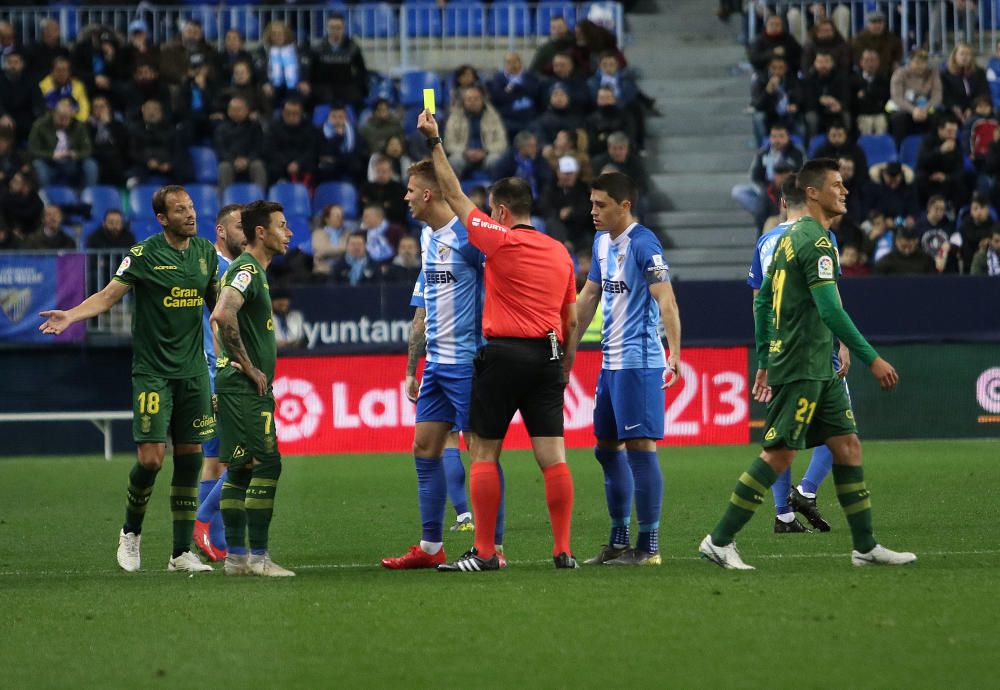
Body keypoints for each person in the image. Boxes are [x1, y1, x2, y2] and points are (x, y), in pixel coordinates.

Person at [699, 158, 916, 570]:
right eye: (837, 184)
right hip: (801, 363)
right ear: (813, 192)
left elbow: (762, 300)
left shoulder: (784, 238)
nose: (845, 191)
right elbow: (831, 312)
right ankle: (719, 539)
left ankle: (865, 546)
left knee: (847, 446)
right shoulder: (816, 241)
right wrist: (872, 358)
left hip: (818, 365)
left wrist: (763, 357)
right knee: (778, 455)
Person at [417, 109, 579, 571]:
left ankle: (485, 552)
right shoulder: (560, 251)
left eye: (491, 210)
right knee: (553, 456)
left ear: (502, 212)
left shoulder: (500, 238)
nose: (486, 216)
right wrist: (566, 365)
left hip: (503, 355)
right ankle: (562, 549)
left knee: (484, 451)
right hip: (548, 357)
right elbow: (570, 318)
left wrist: (434, 141)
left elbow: (451, 193)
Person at [39, 185, 219, 574]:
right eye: (180, 210)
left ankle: (180, 553)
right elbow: (107, 296)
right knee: (152, 460)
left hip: (193, 373)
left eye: (191, 207)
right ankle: (131, 532)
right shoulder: (143, 255)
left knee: (191, 459)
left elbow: (218, 312)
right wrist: (70, 315)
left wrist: (224, 359)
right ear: (162, 218)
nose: (190, 214)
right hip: (153, 373)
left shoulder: (205, 254)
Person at [381, 159, 500, 570]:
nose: (406, 197)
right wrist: (413, 368)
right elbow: (423, 313)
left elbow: (500, 288)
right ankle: (431, 548)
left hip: (470, 363)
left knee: (481, 453)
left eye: (411, 190)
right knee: (424, 447)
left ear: (428, 194)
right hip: (437, 367)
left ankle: (492, 550)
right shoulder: (429, 238)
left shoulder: (469, 238)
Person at [571, 172, 681, 566]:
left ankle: (648, 546)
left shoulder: (644, 243)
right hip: (609, 363)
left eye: (601, 204)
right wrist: (569, 349)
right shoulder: (602, 243)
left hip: (639, 361)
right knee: (606, 449)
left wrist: (675, 353)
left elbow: (666, 299)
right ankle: (618, 540)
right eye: (592, 203)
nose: (593, 211)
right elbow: (588, 297)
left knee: (640, 448)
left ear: (625, 206)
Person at [747, 174, 849, 534]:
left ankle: (783, 514)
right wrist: (844, 341)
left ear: (780, 204)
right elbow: (830, 295)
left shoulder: (764, 241)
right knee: (842, 429)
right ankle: (805, 491)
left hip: (778, 347)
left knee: (781, 431)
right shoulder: (822, 237)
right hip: (815, 343)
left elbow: (758, 300)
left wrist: (765, 352)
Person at [210, 199, 295, 577]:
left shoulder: (255, 271)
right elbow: (222, 314)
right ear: (261, 232)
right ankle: (259, 558)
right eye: (281, 225)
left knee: (241, 468)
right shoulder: (246, 270)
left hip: (235, 385)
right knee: (268, 463)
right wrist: (247, 365)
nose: (288, 232)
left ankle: (236, 559)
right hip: (244, 387)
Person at [192, 204, 245, 563]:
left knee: (215, 461)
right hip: (218, 373)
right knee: (249, 457)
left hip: (209, 372)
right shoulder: (219, 268)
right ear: (222, 231)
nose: (248, 232)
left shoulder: (221, 266)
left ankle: (218, 544)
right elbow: (217, 324)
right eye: (241, 226)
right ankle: (203, 523)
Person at [27, 97, 98, 188]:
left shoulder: (79, 126)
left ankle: (88, 196)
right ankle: (44, 197)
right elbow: (32, 150)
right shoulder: (40, 125)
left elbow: (88, 150)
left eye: (66, 118)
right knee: (38, 165)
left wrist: (74, 154)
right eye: (60, 117)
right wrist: (51, 155)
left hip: (71, 164)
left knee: (91, 164)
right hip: (49, 164)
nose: (63, 121)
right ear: (54, 113)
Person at [310, 13, 368, 110]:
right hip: (324, 87)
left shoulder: (353, 47)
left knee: (357, 97)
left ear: (343, 28)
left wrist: (357, 85)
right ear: (327, 28)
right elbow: (312, 71)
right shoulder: (317, 48)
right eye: (332, 27)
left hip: (346, 86)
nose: (335, 31)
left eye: (338, 27)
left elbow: (361, 70)